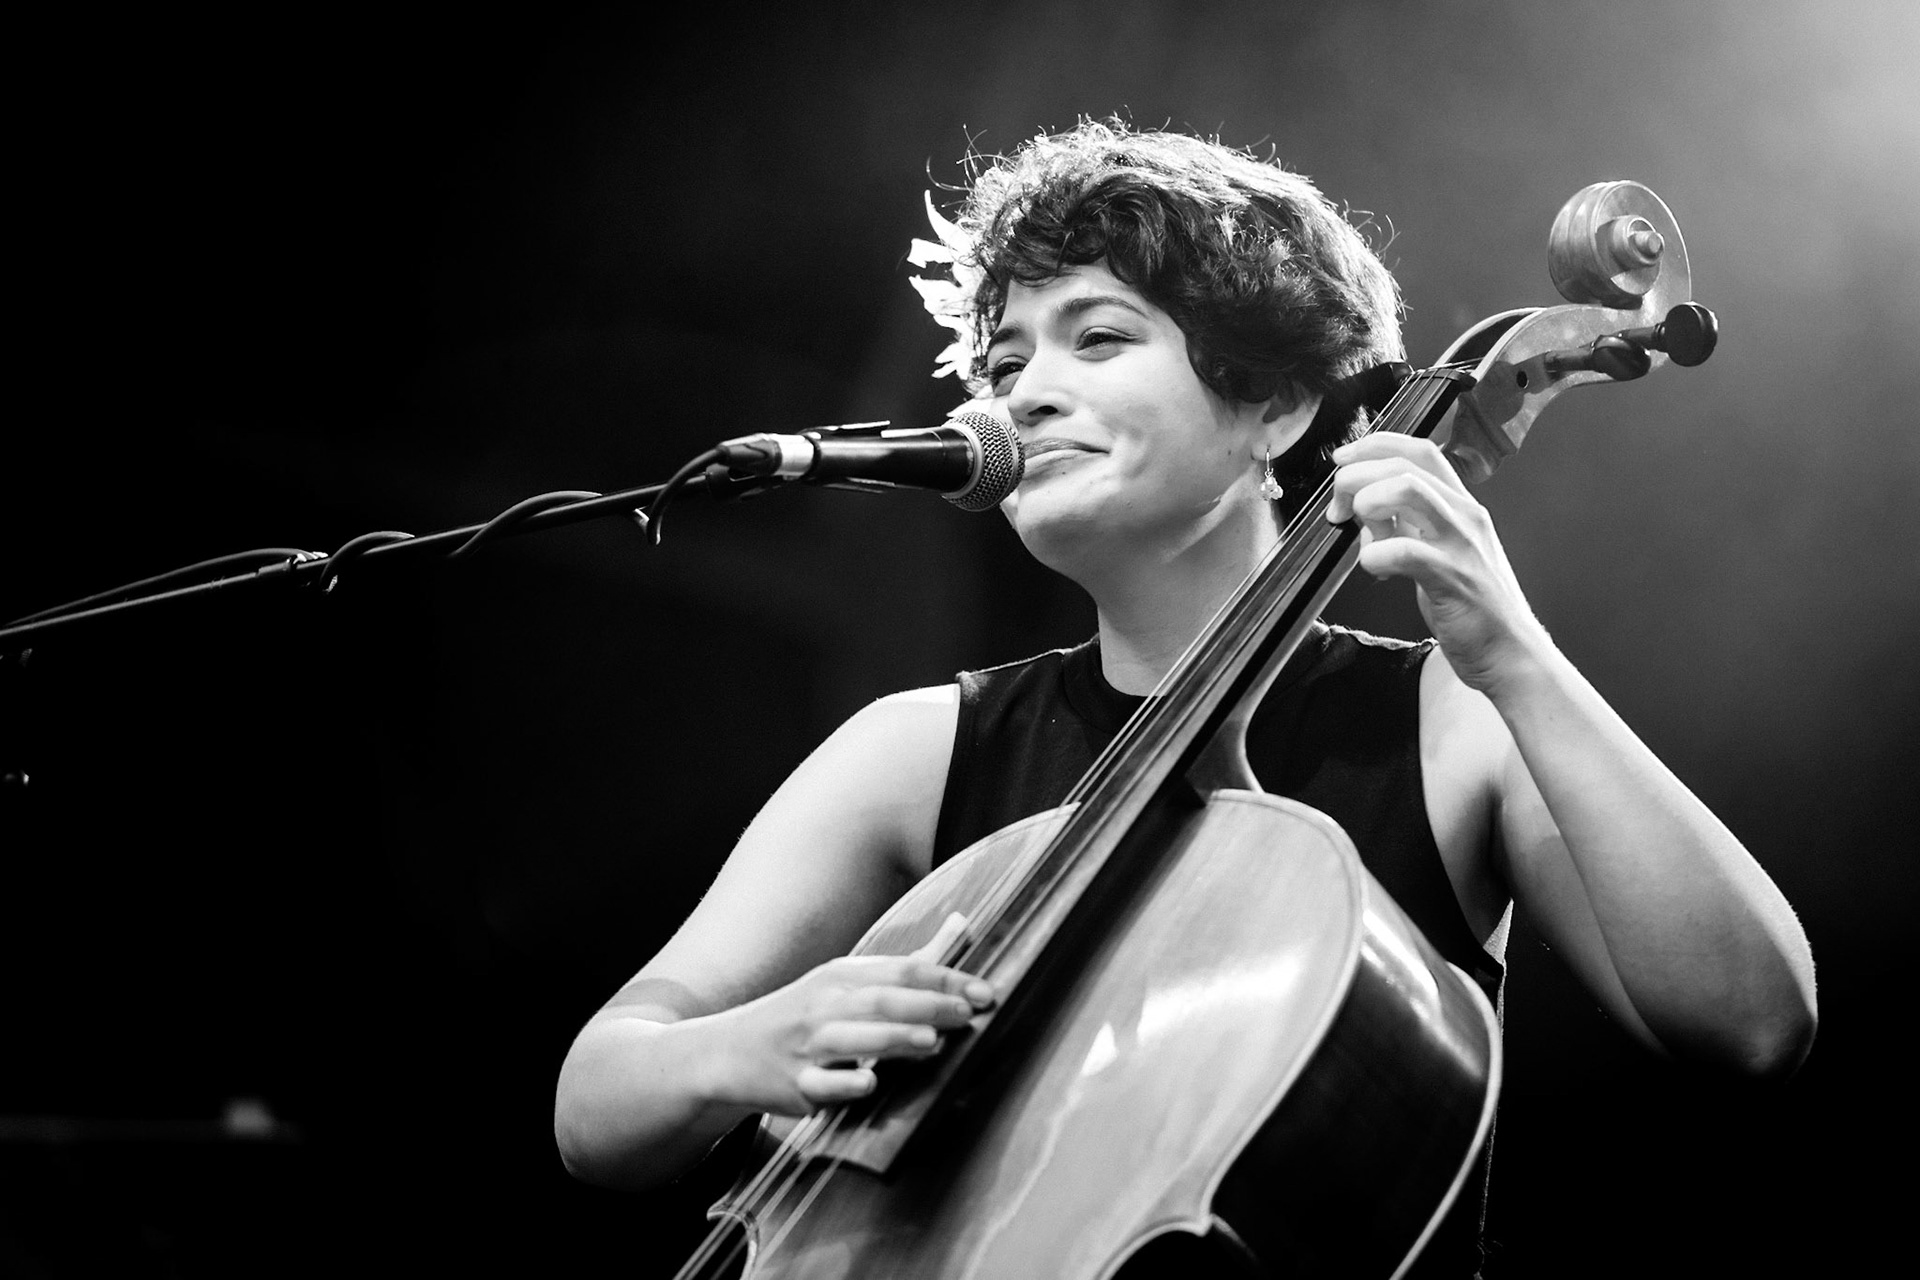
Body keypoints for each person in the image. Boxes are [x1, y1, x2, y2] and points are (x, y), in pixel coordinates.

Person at [553, 119, 1817, 1276]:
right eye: (1004, 359)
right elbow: (599, 1101)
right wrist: (753, 1041)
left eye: (1098, 337)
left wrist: (1519, 655)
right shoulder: (915, 748)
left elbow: (1751, 1018)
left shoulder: (1451, 720)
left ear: (1274, 404)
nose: (1021, 391)